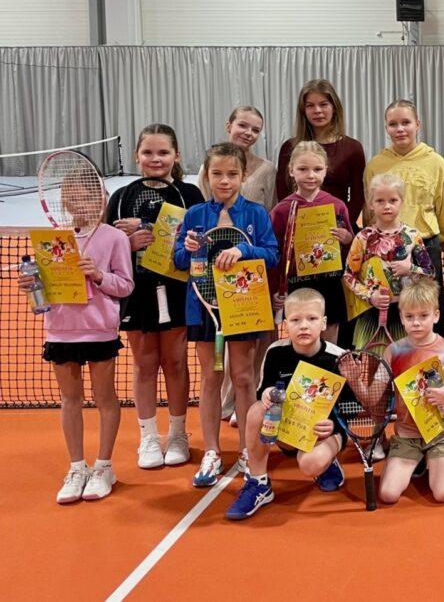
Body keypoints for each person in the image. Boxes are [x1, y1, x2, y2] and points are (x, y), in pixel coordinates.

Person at [21, 171, 133, 503]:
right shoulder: (53, 240)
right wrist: (33, 285)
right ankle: (77, 467)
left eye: (87, 196)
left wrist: (98, 275)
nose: (80, 202)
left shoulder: (115, 238)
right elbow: (44, 289)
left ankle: (103, 467)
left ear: (101, 199)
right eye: (72, 197)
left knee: (104, 398)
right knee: (70, 399)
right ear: (64, 202)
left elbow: (125, 285)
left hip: (99, 330)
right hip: (60, 329)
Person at [173, 143, 279, 488]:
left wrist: (243, 249)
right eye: (217, 173)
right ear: (207, 175)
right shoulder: (195, 214)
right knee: (211, 377)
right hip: (204, 307)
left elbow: (272, 254)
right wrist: (187, 249)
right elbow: (178, 260)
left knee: (244, 378)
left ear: (243, 176)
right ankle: (212, 452)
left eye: (232, 174)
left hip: (244, 304)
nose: (224, 180)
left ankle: (248, 449)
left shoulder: (256, 214)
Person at [104, 124, 203, 469]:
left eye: (163, 152)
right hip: (137, 291)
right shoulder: (121, 197)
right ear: (137, 156)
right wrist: (126, 244)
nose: (155, 159)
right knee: (144, 364)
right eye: (148, 152)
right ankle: (148, 437)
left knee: (175, 362)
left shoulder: (190, 194)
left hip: (177, 289)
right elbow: (106, 248)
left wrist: (151, 230)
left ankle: (177, 433)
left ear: (176, 156)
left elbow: (198, 240)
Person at [225, 289, 352, 520]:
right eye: (295, 320)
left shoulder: (339, 358)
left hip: (325, 432)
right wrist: (267, 394)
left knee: (310, 464)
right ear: (285, 324)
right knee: (256, 411)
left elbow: (348, 407)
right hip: (287, 429)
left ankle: (326, 463)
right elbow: (263, 390)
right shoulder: (275, 352)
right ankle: (259, 483)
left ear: (323, 323)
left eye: (312, 319)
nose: (304, 326)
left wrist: (333, 425)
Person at [204, 106, 278, 426]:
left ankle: (248, 400)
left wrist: (248, 251)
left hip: (252, 267)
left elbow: (270, 215)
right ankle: (225, 401)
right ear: (229, 125)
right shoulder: (209, 165)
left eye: (255, 129)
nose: (248, 133)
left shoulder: (267, 170)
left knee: (254, 342)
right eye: (243, 125)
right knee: (221, 342)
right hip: (215, 271)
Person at [363, 99, 444, 338]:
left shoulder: (437, 163)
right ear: (386, 128)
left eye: (406, 122)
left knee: (427, 315)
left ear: (418, 124)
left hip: (425, 248)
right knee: (392, 319)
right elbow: (369, 210)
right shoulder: (375, 165)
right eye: (393, 124)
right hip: (384, 250)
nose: (400, 129)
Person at [378, 279, 444, 504]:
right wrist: (356, 380)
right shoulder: (393, 351)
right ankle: (410, 459)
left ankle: (430, 460)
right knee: (388, 495)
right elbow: (374, 395)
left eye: (423, 316)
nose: (416, 322)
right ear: (401, 318)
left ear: (436, 316)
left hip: (441, 434)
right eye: (409, 316)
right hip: (407, 436)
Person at [270, 141, 354, 341]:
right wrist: (276, 289)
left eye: (317, 169)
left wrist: (346, 238)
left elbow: (351, 244)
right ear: (291, 170)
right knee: (302, 336)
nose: (311, 175)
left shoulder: (337, 205)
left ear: (326, 170)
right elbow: (273, 254)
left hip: (330, 282)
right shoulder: (282, 210)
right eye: (303, 169)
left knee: (330, 338)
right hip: (297, 283)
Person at [342, 173, 434, 349]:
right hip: (371, 315)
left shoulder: (412, 235)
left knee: (406, 363)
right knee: (372, 363)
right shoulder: (362, 238)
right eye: (380, 201)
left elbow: (430, 273)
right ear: (370, 204)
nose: (387, 206)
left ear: (401, 201)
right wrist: (370, 296)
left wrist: (410, 268)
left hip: (406, 313)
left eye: (393, 200)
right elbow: (348, 276)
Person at [275, 79, 366, 223]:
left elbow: (358, 197)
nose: (317, 110)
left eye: (323, 104)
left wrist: (340, 225)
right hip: (298, 226)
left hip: (338, 227)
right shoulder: (289, 147)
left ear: (334, 107)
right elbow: (283, 194)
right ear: (303, 111)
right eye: (310, 105)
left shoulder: (353, 148)